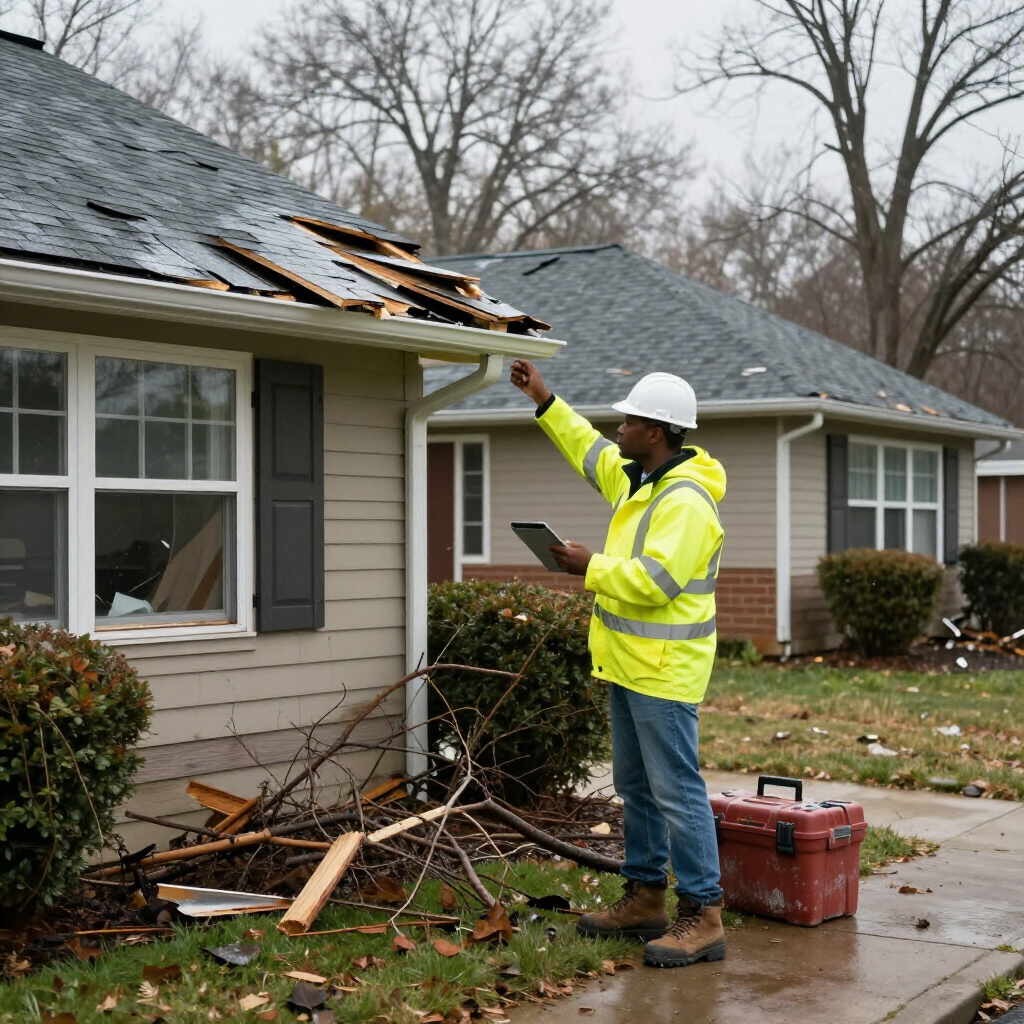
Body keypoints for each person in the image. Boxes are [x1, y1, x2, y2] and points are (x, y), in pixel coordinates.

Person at [509, 359, 727, 969]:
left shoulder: (686, 502)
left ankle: (704, 916)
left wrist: (590, 565)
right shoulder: (639, 480)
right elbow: (588, 450)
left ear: (655, 431)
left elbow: (656, 584)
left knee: (677, 793)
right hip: (630, 666)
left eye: (629, 420)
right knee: (637, 789)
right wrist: (544, 397)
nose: (619, 428)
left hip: (664, 671)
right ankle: (644, 900)